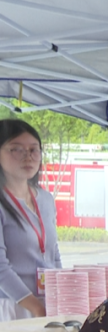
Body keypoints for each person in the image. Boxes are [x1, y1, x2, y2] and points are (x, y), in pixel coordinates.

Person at [0, 119, 60, 320]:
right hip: (11, 306)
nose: (28, 157)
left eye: (34, 150)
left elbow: (54, 255)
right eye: (16, 149)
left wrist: (60, 296)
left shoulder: (46, 199)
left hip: (48, 306)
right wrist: (36, 308)